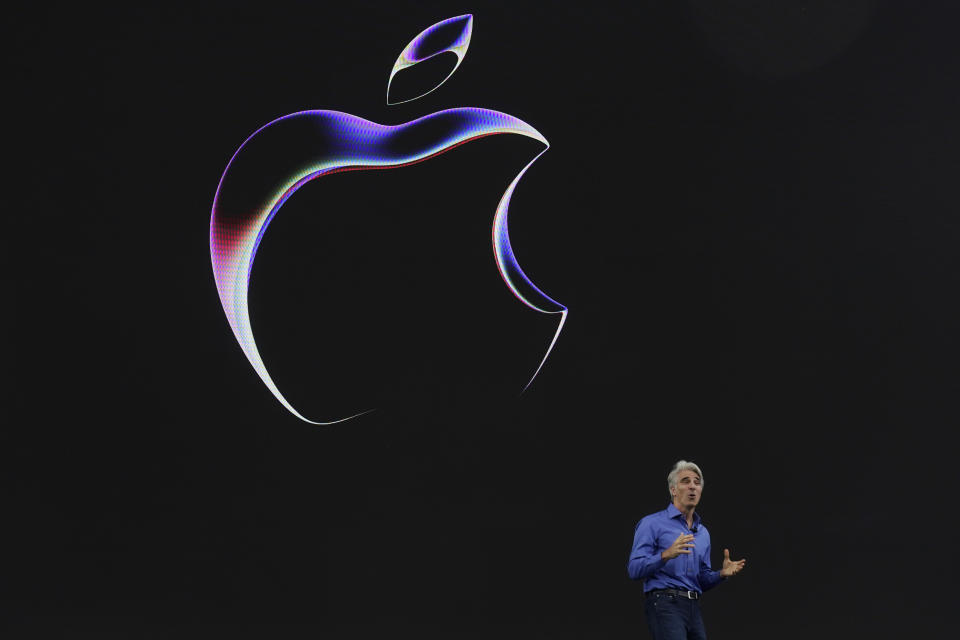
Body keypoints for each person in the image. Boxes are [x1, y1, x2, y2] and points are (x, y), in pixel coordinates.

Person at [627, 460, 746, 639]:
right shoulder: (652, 523)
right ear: (673, 490)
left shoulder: (703, 533)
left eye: (697, 483)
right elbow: (634, 569)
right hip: (665, 603)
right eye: (685, 481)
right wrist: (666, 555)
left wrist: (721, 574)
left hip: (693, 607)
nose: (692, 486)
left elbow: (702, 580)